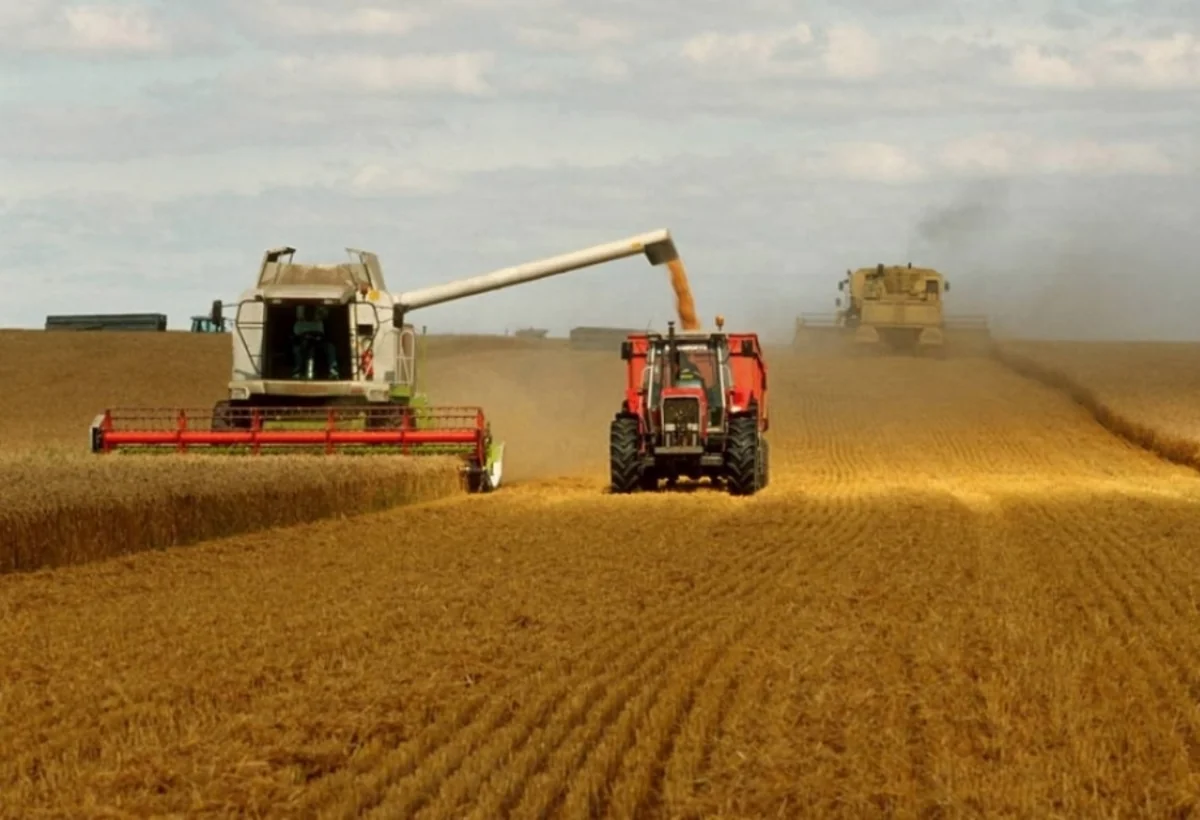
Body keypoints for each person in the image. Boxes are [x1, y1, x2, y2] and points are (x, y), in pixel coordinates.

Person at [291, 305, 339, 379]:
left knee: (330, 347)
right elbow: (296, 336)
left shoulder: (319, 320)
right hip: (302, 341)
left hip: (317, 341)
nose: (309, 313)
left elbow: (325, 317)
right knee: (297, 350)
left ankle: (333, 371)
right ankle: (297, 372)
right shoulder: (299, 323)